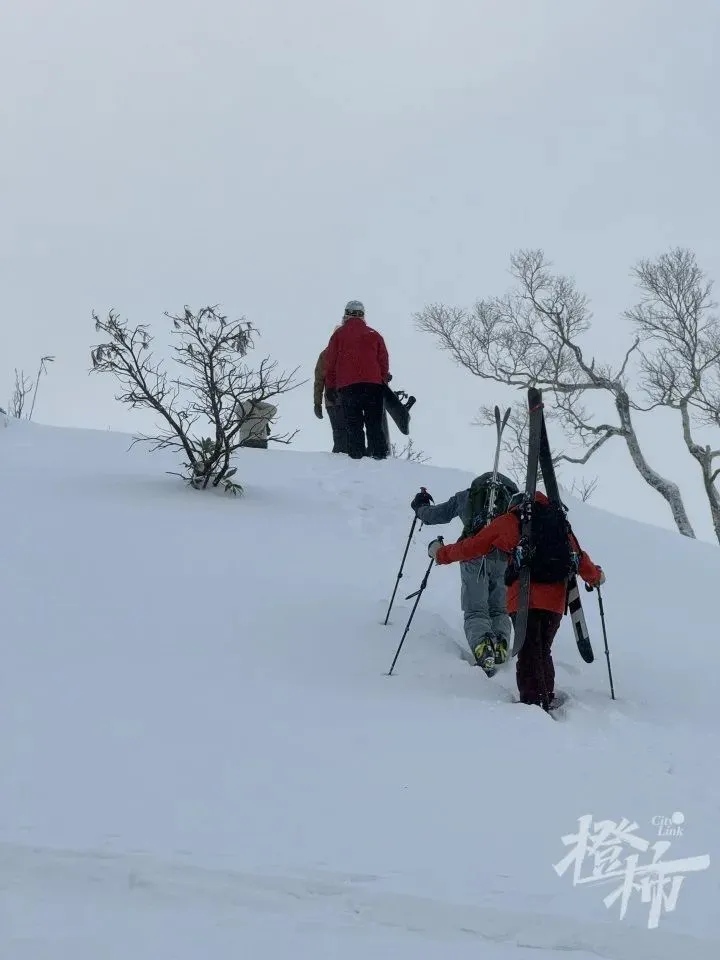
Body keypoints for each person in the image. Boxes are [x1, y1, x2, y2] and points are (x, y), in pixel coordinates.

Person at [427, 491, 605, 710]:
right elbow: (579, 556)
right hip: (556, 602)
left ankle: (533, 704)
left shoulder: (512, 520)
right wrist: (596, 576)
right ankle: (545, 696)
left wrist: (440, 554)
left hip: (524, 598)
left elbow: (472, 546)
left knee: (529, 649)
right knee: (542, 649)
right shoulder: (558, 523)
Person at [410, 471, 519, 675]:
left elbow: (435, 516)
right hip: (504, 560)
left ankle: (482, 647)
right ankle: (500, 644)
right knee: (499, 609)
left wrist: (420, 506)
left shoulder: (467, 496)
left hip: (473, 555)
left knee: (476, 610)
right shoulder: (513, 501)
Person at [323, 301, 390, 460]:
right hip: (373, 385)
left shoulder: (338, 335)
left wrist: (330, 386)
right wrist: (383, 379)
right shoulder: (374, 334)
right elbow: (383, 359)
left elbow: (330, 362)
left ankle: (356, 455)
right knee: (374, 422)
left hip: (348, 386)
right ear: (362, 315)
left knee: (354, 423)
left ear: (347, 313)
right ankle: (379, 455)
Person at [314, 346, 348, 454]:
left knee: (340, 434)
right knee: (346, 434)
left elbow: (319, 381)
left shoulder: (325, 354)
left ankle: (339, 461)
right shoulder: (352, 350)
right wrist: (317, 403)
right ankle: (343, 462)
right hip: (344, 400)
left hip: (334, 401)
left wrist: (317, 403)